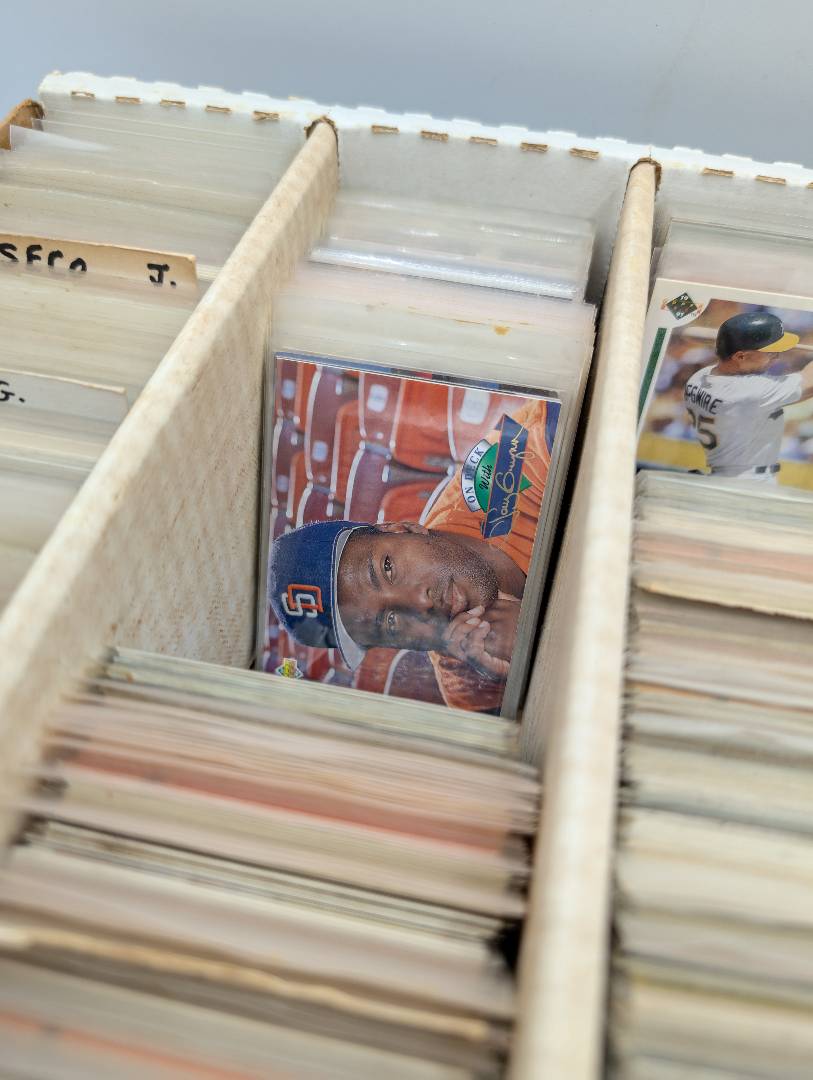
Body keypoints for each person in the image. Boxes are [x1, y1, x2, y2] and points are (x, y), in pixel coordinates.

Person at [268, 397, 555, 712]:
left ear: (400, 528)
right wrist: (529, 665)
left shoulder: (506, 467)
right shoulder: (467, 684)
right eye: (390, 623)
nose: (420, 602)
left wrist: (544, 634)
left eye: (387, 568)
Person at [683, 311, 813, 481]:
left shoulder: (699, 377)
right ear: (740, 356)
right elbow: (809, 384)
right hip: (749, 480)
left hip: (726, 474)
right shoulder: (750, 391)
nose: (776, 357)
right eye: (770, 352)